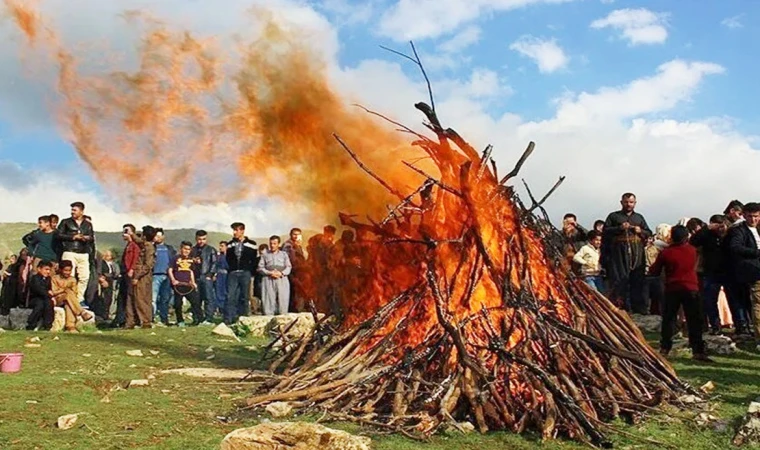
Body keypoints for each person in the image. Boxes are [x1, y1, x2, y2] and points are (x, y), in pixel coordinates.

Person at [649, 225, 711, 362]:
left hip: (672, 288)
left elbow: (654, 271)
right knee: (694, 320)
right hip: (691, 288)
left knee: (669, 319)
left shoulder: (666, 253)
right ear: (687, 236)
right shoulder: (693, 251)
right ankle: (698, 351)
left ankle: (665, 348)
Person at [602, 193, 652, 313]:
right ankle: (621, 307)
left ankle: (639, 308)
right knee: (620, 279)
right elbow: (605, 231)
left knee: (638, 279)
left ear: (635, 203)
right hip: (620, 251)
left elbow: (648, 232)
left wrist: (641, 231)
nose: (629, 204)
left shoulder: (639, 217)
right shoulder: (614, 216)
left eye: (631, 202)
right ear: (621, 202)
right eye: (626, 202)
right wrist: (619, 228)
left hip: (637, 251)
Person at [726, 202, 760, 341]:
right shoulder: (738, 230)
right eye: (750, 216)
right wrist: (756, 253)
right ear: (744, 215)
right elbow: (735, 247)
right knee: (758, 304)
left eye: (756, 216)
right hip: (753, 271)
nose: (753, 219)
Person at [691, 214, 729, 334]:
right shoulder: (706, 235)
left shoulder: (728, 235)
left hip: (728, 271)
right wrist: (706, 229)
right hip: (711, 272)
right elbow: (693, 242)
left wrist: (725, 230)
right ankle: (715, 325)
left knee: (734, 300)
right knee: (710, 300)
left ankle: (741, 326)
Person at [57, 202, 95, 304]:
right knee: (69, 275)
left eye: (75, 210)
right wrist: (73, 237)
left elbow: (92, 237)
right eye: (72, 210)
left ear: (81, 211)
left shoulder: (88, 224)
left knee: (84, 276)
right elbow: (58, 235)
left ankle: (79, 299)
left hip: (83, 253)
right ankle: (68, 298)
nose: (72, 212)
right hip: (69, 251)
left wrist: (87, 238)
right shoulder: (65, 222)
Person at [225, 222, 258, 324]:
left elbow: (254, 260)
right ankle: (229, 319)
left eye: (236, 230)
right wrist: (231, 269)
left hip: (245, 273)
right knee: (230, 296)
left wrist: (250, 271)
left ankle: (244, 319)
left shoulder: (252, 244)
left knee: (245, 296)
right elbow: (228, 258)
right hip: (233, 273)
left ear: (242, 231)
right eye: (233, 230)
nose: (234, 232)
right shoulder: (230, 244)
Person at [125, 226, 156, 329]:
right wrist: (131, 234)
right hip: (139, 274)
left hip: (142, 276)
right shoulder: (145, 244)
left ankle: (145, 321)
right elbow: (139, 241)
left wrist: (137, 277)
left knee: (141, 298)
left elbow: (148, 265)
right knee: (131, 298)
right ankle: (131, 322)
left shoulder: (149, 247)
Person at [51, 260, 94, 332]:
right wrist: (64, 290)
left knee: (68, 303)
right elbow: (54, 292)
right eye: (65, 270)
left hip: (69, 300)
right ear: (61, 270)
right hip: (58, 299)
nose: (67, 272)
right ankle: (82, 312)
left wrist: (66, 290)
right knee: (68, 292)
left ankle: (70, 326)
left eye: (69, 270)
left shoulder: (72, 279)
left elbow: (74, 293)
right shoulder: (55, 278)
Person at [168, 241, 202, 327]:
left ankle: (198, 319)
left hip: (188, 285)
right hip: (178, 285)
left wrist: (193, 282)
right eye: (185, 249)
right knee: (178, 304)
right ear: (181, 249)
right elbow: (170, 269)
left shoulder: (191, 259)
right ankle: (180, 321)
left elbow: (191, 271)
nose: (186, 251)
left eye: (188, 249)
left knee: (195, 302)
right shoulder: (175, 258)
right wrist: (173, 280)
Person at [258, 235, 292, 315]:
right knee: (268, 301)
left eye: (274, 243)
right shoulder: (265, 255)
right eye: (271, 243)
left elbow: (288, 267)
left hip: (281, 279)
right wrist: (270, 273)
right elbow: (260, 267)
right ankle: (268, 319)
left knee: (283, 300)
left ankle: (283, 319)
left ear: (278, 244)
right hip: (268, 279)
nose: (272, 245)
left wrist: (281, 273)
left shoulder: (284, 255)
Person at [191, 230, 218, 325]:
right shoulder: (192, 250)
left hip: (206, 277)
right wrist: (193, 261)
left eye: (203, 239)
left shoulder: (211, 250)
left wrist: (210, 275)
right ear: (196, 239)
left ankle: (209, 318)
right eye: (199, 239)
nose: (201, 241)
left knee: (208, 298)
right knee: (196, 299)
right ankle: (197, 319)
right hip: (195, 277)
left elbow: (214, 263)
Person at [152, 228, 176, 325]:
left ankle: (164, 319)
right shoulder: (151, 248)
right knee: (153, 299)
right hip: (154, 276)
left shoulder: (169, 249)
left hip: (167, 276)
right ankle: (151, 318)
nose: (157, 238)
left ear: (163, 236)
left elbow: (174, 261)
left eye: (158, 236)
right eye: (155, 236)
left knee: (165, 299)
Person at [282, 228, 308, 312]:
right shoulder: (288, 245)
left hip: (299, 273)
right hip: (292, 272)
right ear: (291, 235)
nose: (296, 236)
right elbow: (291, 259)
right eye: (294, 234)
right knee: (294, 292)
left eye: (298, 234)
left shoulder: (298, 245)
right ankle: (294, 310)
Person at [25, 260, 54, 331]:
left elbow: (49, 289)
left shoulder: (48, 279)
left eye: (49, 270)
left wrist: (49, 295)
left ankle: (47, 325)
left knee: (49, 303)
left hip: (45, 298)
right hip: (34, 299)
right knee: (40, 304)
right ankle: (31, 324)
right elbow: (39, 290)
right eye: (46, 269)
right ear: (39, 269)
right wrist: (49, 294)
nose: (48, 272)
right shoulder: (35, 278)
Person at [97, 250, 119, 321]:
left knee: (110, 297)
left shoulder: (113, 264)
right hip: (105, 279)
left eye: (109, 255)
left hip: (111, 279)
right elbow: (100, 271)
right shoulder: (102, 263)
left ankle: (108, 313)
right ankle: (104, 314)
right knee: (104, 298)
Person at [215, 241, 229, 319]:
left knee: (226, 292)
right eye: (220, 246)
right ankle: (220, 309)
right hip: (219, 276)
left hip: (227, 276)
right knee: (219, 292)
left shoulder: (229, 256)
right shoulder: (218, 256)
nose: (220, 247)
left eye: (222, 246)